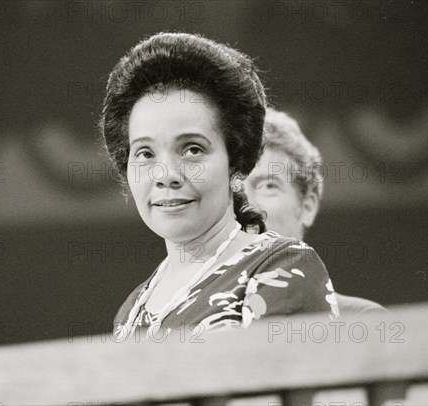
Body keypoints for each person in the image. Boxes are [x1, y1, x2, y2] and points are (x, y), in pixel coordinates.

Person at [101, 33, 340, 341]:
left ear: (236, 161)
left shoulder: (280, 266)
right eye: (145, 153)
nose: (167, 174)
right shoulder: (131, 310)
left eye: (192, 149)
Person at [244, 108, 385, 315]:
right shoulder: (190, 327)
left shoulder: (363, 320)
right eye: (233, 190)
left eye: (268, 186)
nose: (246, 206)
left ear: (307, 206)